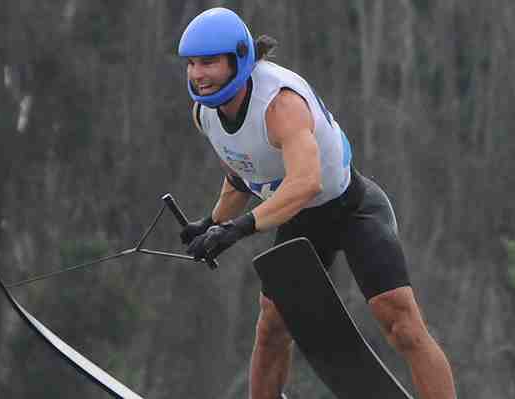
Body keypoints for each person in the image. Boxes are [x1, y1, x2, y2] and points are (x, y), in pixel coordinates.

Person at [177, 7, 457, 399]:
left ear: (239, 58)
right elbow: (242, 175)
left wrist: (237, 229)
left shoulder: (281, 106)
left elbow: (306, 183)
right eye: (191, 64)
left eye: (208, 63)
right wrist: (210, 222)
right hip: (300, 219)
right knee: (272, 326)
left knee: (402, 324)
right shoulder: (205, 114)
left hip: (351, 208)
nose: (198, 75)